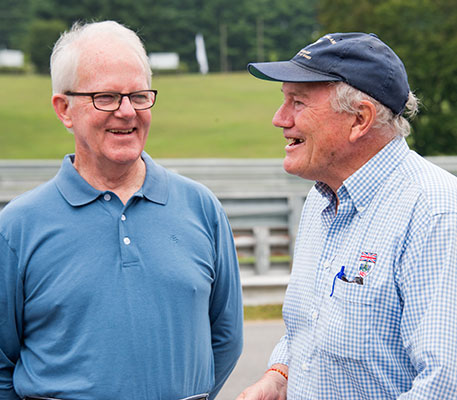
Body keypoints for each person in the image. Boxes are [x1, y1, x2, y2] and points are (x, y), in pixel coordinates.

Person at [0, 20, 243, 400]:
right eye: (107, 97)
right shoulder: (17, 226)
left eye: (139, 95)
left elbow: (226, 337)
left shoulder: (201, 207)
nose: (127, 112)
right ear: (65, 109)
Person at [237, 32, 457, 399]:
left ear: (359, 119)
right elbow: (308, 329)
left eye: (298, 102)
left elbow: (444, 385)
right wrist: (278, 377)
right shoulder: (321, 199)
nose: (279, 118)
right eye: (283, 100)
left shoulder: (436, 213)